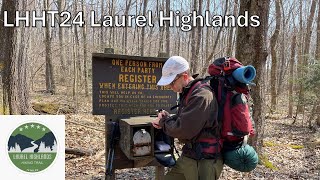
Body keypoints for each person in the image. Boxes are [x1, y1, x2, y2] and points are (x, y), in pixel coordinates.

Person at [152, 56, 223, 180]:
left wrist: (163, 122)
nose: (170, 87)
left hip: (203, 161)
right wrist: (168, 118)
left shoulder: (201, 95)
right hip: (190, 156)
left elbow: (183, 130)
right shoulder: (189, 92)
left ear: (184, 76)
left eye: (172, 82)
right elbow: (185, 120)